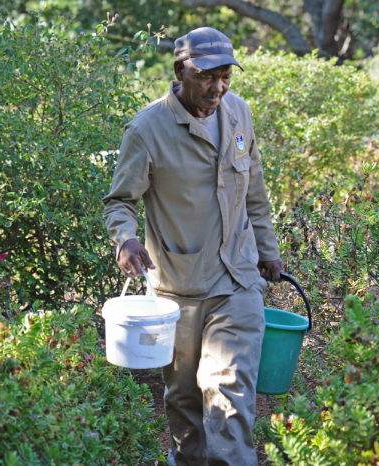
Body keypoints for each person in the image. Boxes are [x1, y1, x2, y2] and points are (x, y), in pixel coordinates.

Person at [102, 27, 282, 466]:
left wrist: (267, 249)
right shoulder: (147, 130)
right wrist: (125, 238)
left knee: (227, 391)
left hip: (237, 281)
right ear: (181, 71)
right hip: (176, 290)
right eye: (207, 77)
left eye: (226, 76)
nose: (218, 88)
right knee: (183, 401)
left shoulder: (239, 113)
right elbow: (119, 201)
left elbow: (254, 191)